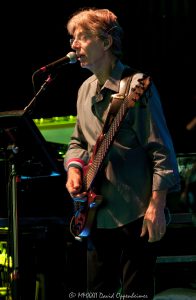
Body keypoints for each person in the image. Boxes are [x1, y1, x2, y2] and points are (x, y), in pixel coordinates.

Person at [64, 7, 180, 299]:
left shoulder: (137, 85)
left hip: (135, 213)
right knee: (96, 294)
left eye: (82, 37)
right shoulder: (84, 90)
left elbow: (161, 150)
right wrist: (74, 169)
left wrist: (157, 205)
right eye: (72, 38)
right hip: (96, 215)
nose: (74, 45)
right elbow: (77, 143)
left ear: (105, 42)